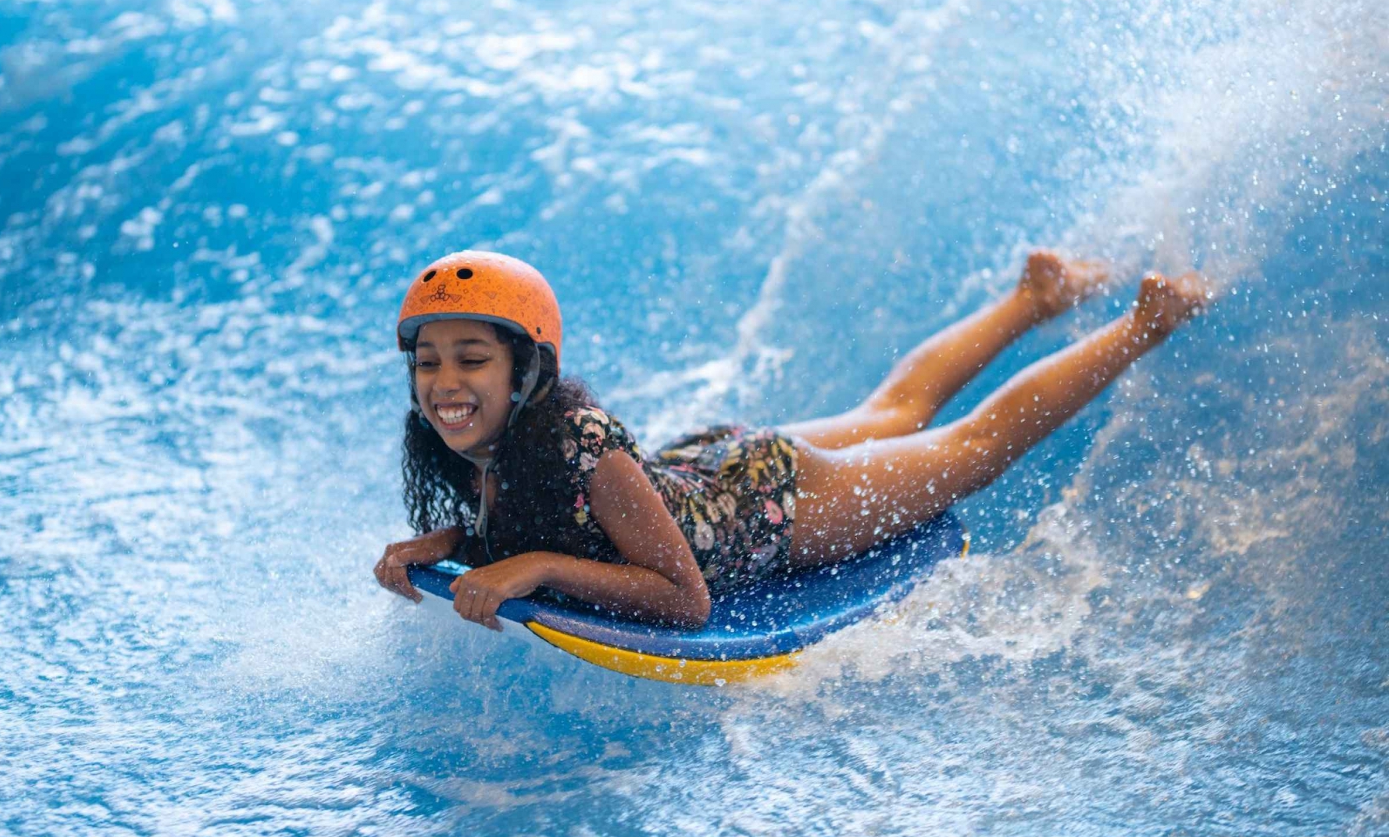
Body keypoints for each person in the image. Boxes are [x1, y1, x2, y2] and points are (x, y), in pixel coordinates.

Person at [374, 249, 1209, 630]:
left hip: (771, 507)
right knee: (892, 409)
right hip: (709, 472)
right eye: (429, 362)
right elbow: (520, 513)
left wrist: (541, 567)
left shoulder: (582, 442)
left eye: (472, 359)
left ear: (527, 371)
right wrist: (444, 545)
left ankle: (1145, 323)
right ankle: (1038, 295)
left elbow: (686, 598)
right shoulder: (487, 441)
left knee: (972, 448)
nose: (446, 383)